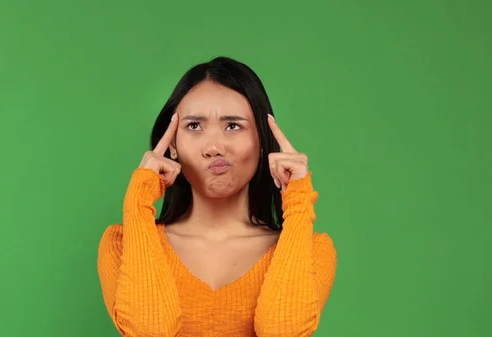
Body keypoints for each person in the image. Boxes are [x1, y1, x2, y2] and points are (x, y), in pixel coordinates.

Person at [97, 56, 337, 337]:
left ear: (261, 141)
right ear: (172, 145)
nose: (213, 147)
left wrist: (297, 203)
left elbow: (282, 330)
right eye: (194, 126)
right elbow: (152, 330)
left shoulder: (311, 251)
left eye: (233, 126)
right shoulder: (122, 245)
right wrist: (138, 203)